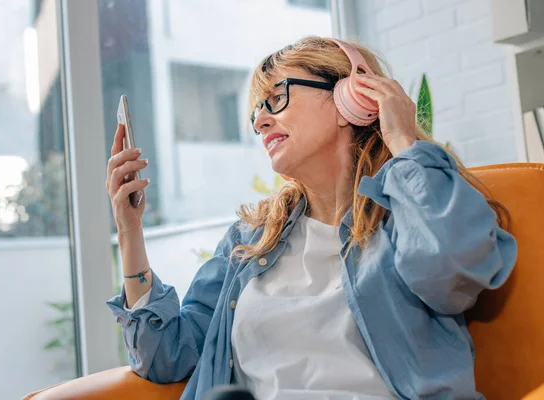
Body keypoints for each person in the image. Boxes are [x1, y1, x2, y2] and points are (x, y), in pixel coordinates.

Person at [105, 36, 518, 400]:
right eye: (257, 111)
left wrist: (403, 143)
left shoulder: (413, 213)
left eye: (278, 97)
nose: (261, 120)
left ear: (351, 99)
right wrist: (129, 232)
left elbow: (454, 276)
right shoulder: (249, 241)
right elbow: (168, 357)